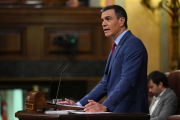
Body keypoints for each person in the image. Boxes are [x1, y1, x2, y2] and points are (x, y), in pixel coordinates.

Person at [58, 5, 149, 113]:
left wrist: (105, 106)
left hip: (130, 112)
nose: (103, 24)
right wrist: (78, 105)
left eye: (108, 19)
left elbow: (127, 81)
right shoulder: (117, 46)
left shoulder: (133, 44)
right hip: (117, 111)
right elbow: (105, 84)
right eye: (102, 20)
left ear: (121, 21)